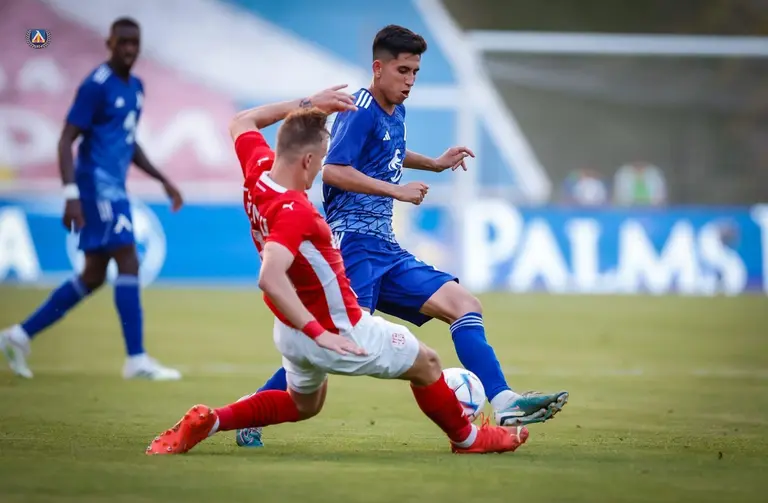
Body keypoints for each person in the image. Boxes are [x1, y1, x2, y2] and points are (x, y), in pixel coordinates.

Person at [145, 87, 528, 456]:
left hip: (290, 329)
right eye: (320, 160)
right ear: (307, 160)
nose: (320, 172)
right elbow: (269, 277)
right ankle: (469, 439)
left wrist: (309, 103)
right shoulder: (296, 212)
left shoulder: (258, 171)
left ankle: (212, 420)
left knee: (304, 404)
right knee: (426, 363)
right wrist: (320, 333)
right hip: (334, 326)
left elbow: (242, 121)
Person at [237, 24, 568, 447]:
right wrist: (396, 190)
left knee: (464, 304)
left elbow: (388, 151)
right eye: (403, 71)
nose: (410, 81)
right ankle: (252, 411)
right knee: (335, 343)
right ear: (378, 68)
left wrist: (433, 163)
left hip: (386, 249)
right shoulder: (359, 108)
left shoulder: (395, 110)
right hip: (353, 246)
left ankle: (503, 401)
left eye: (415, 72)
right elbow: (333, 170)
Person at [0, 18, 182, 380]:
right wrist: (71, 196)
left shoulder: (136, 88)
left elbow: (128, 141)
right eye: (123, 42)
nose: (129, 49)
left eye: (134, 42)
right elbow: (66, 139)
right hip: (96, 187)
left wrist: (163, 180)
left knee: (94, 274)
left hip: (115, 188)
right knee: (128, 259)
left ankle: (19, 335)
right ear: (109, 43)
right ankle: (136, 359)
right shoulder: (96, 85)